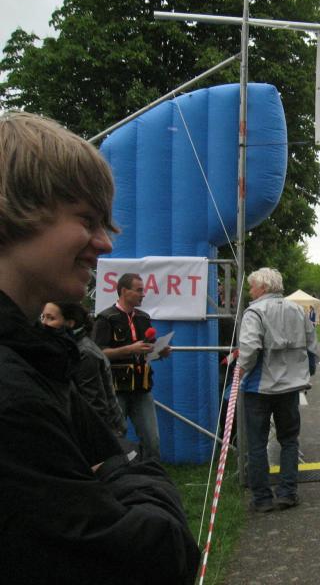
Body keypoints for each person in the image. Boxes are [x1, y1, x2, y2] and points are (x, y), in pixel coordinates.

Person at [0, 111, 198, 583]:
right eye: (87, 220)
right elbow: (151, 558)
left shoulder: (39, 357)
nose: (105, 244)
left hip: (140, 385)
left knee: (147, 446)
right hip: (119, 389)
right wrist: (125, 472)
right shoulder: (16, 392)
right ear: (15, 210)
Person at [238, 267, 317, 512]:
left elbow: (250, 349)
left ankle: (262, 498)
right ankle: (287, 493)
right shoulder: (298, 310)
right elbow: (311, 345)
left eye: (252, 287)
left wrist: (240, 370)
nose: (250, 291)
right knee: (289, 440)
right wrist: (306, 372)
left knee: (257, 443)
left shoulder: (254, 312)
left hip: (259, 388)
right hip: (290, 387)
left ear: (263, 287)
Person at [93, 272, 170, 460]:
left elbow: (145, 352)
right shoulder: (106, 318)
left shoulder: (143, 318)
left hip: (142, 387)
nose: (143, 294)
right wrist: (129, 349)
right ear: (124, 291)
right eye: (139, 290)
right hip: (115, 389)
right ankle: (117, 474)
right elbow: (97, 353)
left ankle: (151, 475)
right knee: (115, 438)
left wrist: (159, 352)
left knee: (152, 441)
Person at [41, 301, 126, 437]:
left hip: (102, 431)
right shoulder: (67, 347)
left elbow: (95, 403)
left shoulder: (84, 353)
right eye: (43, 317)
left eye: (51, 318)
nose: (44, 323)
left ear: (70, 323)